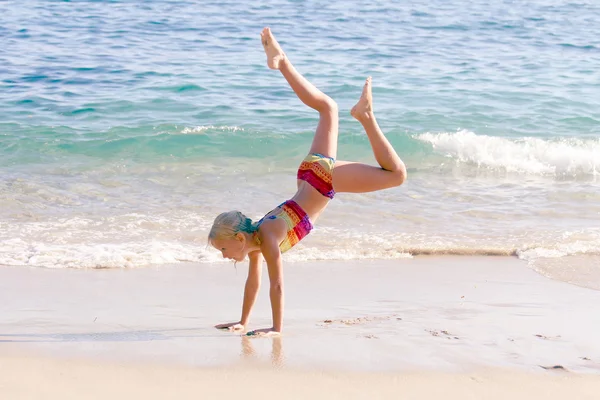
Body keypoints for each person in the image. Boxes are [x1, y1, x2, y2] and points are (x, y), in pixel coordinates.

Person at [209, 27, 407, 337]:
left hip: (320, 182)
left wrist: (276, 328)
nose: (222, 255)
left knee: (397, 176)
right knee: (327, 108)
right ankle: (282, 62)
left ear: (237, 239)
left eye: (222, 248)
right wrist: (242, 321)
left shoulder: (268, 234)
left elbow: (276, 283)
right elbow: (254, 284)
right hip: (309, 175)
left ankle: (366, 117)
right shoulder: (257, 240)